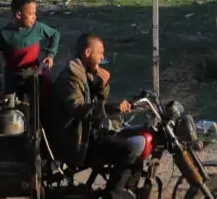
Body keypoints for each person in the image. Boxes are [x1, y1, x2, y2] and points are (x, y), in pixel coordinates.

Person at [47, 32, 147, 170]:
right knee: (128, 149)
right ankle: (117, 185)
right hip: (77, 140)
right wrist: (113, 107)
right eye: (99, 52)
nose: (102, 57)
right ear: (87, 52)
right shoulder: (70, 78)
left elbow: (96, 100)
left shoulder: (84, 73)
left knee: (129, 138)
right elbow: (79, 109)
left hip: (89, 131)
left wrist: (102, 85)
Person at [0, 0, 59, 101]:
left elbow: (55, 34)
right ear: (18, 15)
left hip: (34, 75)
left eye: (35, 13)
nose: (35, 17)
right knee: (12, 108)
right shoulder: (3, 35)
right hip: (13, 79)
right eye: (31, 14)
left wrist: (50, 55)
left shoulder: (37, 28)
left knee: (44, 102)